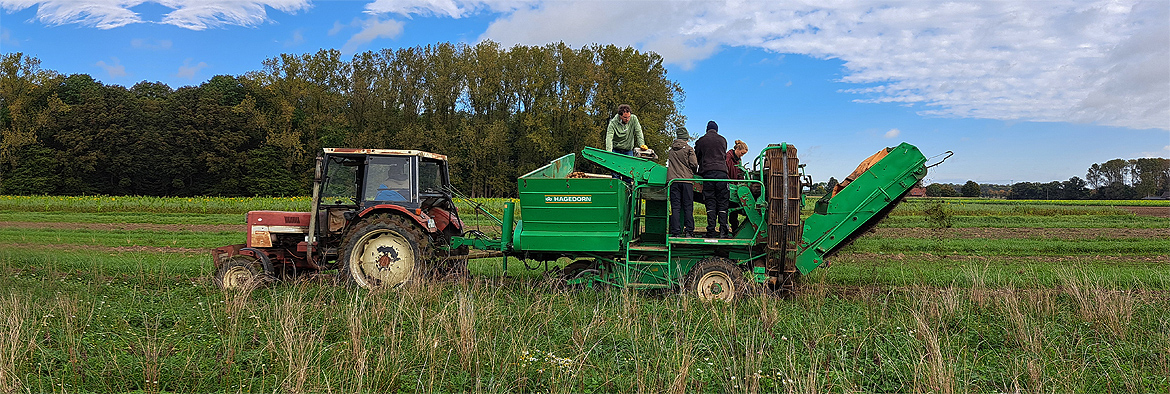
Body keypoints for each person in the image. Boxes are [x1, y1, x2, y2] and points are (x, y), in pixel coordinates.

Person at [695, 120, 730, 238]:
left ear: (707, 129)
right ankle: (723, 231)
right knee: (723, 203)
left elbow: (697, 156)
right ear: (717, 129)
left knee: (710, 202)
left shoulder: (701, 141)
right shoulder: (723, 140)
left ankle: (711, 231)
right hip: (722, 174)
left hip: (707, 174)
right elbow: (723, 155)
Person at [667, 126, 698, 237]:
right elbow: (694, 164)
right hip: (686, 180)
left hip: (673, 181)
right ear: (686, 138)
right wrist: (692, 171)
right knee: (688, 206)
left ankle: (675, 232)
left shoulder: (671, 150)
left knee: (675, 207)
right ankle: (689, 231)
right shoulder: (689, 149)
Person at [724, 140, 749, 233]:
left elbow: (739, 174)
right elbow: (725, 170)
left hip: (735, 186)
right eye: (742, 153)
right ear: (737, 149)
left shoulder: (739, 160)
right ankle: (724, 228)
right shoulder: (728, 157)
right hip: (728, 185)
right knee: (726, 208)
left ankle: (734, 228)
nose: (742, 155)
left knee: (734, 209)